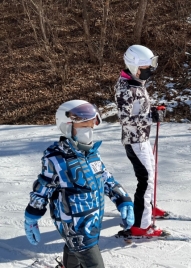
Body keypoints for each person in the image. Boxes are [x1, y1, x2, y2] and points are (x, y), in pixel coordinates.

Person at [24, 100, 134, 268]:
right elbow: (42, 188)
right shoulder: (56, 158)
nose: (88, 131)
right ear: (66, 126)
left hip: (94, 222)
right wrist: (31, 216)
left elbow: (106, 179)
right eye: (83, 126)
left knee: (74, 255)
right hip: (75, 227)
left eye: (90, 126)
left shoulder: (92, 154)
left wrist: (123, 199)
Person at [114, 44, 168, 237]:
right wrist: (149, 118)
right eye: (145, 69)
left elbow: (140, 108)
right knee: (145, 180)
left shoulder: (136, 82)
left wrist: (152, 112)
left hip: (142, 138)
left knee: (150, 175)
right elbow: (124, 119)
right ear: (133, 66)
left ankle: (148, 208)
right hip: (134, 140)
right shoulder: (125, 88)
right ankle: (141, 225)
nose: (148, 72)